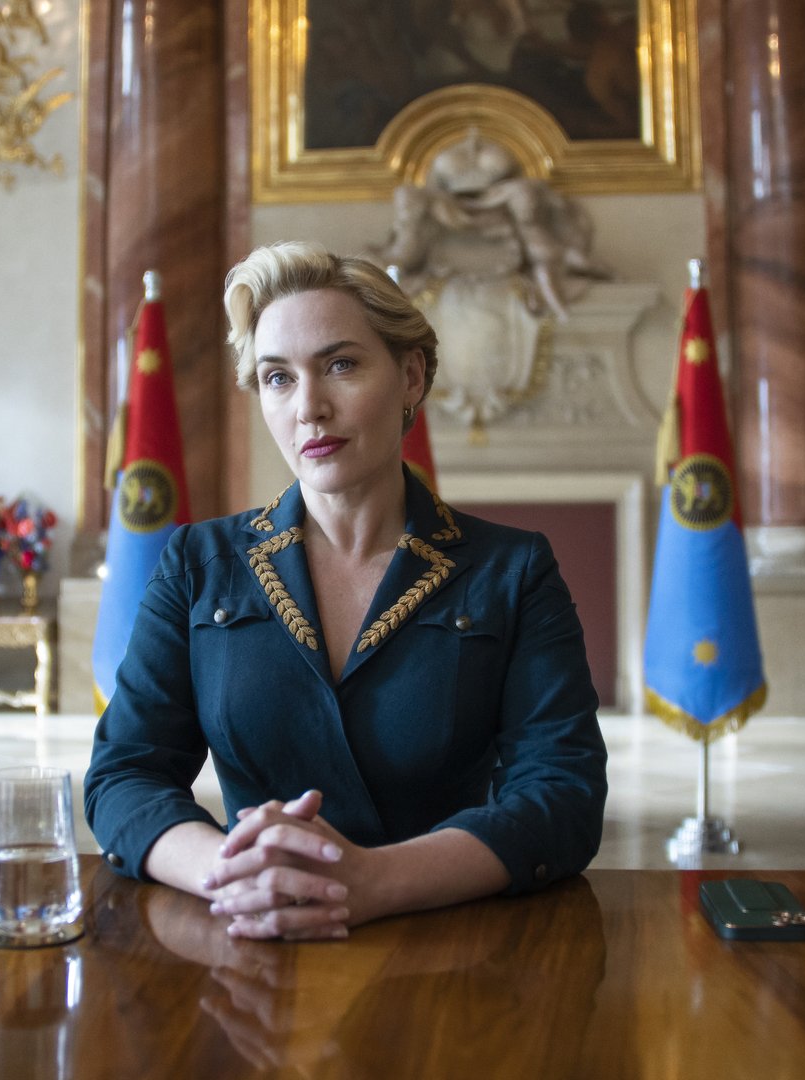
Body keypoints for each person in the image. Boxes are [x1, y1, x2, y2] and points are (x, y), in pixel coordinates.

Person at [84, 240, 607, 941]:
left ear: (411, 377)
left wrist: (376, 882)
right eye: (277, 378)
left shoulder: (511, 569)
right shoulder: (198, 563)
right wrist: (236, 873)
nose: (309, 407)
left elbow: (563, 796)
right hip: (249, 937)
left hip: (451, 947)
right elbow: (124, 776)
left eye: (340, 365)